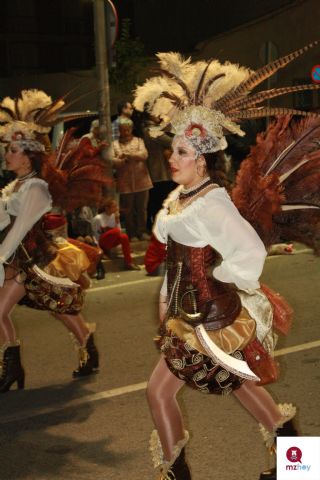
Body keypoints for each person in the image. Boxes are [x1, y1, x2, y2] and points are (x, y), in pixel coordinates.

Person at [133, 45, 320, 480]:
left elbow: (250, 253)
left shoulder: (212, 203)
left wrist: (216, 277)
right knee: (245, 389)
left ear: (201, 158)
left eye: (180, 152)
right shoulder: (183, 199)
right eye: (173, 151)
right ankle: (304, 467)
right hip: (189, 317)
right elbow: (175, 262)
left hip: (212, 319)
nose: (172, 158)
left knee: (158, 393)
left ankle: (175, 474)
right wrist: (166, 301)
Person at [0, 89, 107, 392]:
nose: (7, 154)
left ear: (29, 155)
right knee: (58, 311)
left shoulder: (35, 188)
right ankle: (14, 365)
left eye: (13, 150)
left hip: (34, 262)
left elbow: (19, 229)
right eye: (7, 148)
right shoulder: (16, 185)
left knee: (58, 309)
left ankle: (16, 365)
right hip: (17, 261)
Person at [112, 117, 152, 241]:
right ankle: (132, 233)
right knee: (127, 210)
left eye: (127, 129)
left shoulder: (139, 141)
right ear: (119, 130)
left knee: (142, 209)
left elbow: (144, 155)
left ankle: (142, 231)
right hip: (125, 182)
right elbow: (112, 161)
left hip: (142, 180)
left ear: (131, 129)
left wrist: (129, 155)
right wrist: (121, 161)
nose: (125, 132)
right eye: (122, 130)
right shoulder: (114, 144)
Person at [92, 197, 140, 270]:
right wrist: (98, 249)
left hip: (111, 241)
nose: (117, 208)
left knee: (124, 237)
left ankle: (128, 262)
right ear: (107, 208)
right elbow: (95, 235)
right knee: (116, 231)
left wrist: (117, 220)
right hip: (101, 243)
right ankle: (105, 251)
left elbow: (119, 232)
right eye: (114, 207)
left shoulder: (115, 216)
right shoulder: (98, 218)